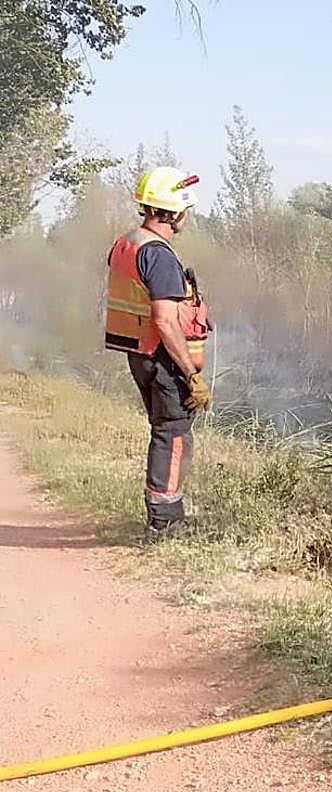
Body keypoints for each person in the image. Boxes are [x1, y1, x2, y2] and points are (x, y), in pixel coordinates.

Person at [104, 167, 212, 533]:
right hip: (163, 359)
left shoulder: (126, 244)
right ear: (176, 212)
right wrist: (191, 374)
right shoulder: (160, 256)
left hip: (139, 353)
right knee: (173, 432)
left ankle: (166, 515)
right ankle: (165, 521)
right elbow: (166, 321)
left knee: (166, 429)